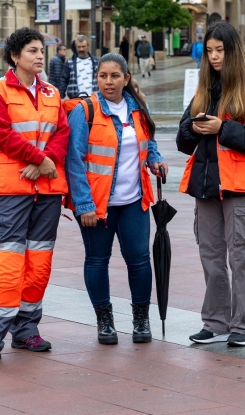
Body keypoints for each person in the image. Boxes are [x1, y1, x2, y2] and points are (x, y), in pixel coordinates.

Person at [176, 21, 245, 347]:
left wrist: (223, 128)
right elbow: (182, 140)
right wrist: (196, 127)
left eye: (220, 50)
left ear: (233, 51)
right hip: (206, 186)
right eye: (209, 51)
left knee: (240, 259)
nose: (215, 57)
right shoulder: (203, 91)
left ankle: (240, 328)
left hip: (240, 189)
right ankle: (216, 323)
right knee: (211, 257)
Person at [0, 27, 70, 365]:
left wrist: (46, 163)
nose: (39, 56)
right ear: (15, 56)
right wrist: (38, 159)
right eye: (31, 51)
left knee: (38, 264)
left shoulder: (51, 93)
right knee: (5, 263)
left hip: (45, 190)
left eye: (41, 50)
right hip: (11, 190)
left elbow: (61, 133)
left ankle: (27, 330)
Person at [66, 53, 167, 345]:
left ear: (126, 79)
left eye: (114, 76)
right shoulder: (86, 110)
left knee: (139, 260)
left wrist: (155, 161)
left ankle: (140, 319)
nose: (108, 82)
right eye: (102, 76)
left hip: (135, 201)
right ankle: (105, 321)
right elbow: (74, 160)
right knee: (97, 260)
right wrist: (83, 205)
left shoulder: (137, 109)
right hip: (97, 206)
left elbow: (149, 142)